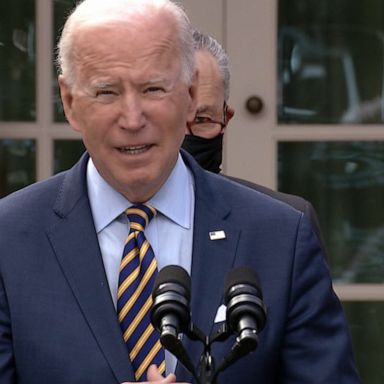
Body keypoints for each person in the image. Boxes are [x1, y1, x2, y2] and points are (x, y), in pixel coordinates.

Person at [0, 0, 360, 383]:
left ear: (189, 95)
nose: (133, 118)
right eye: (106, 92)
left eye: (153, 89)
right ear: (70, 102)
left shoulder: (281, 236)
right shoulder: (9, 238)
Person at [182, 30, 328, 255]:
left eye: (202, 119)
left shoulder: (285, 228)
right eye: (173, 118)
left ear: (225, 119)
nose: (183, 135)